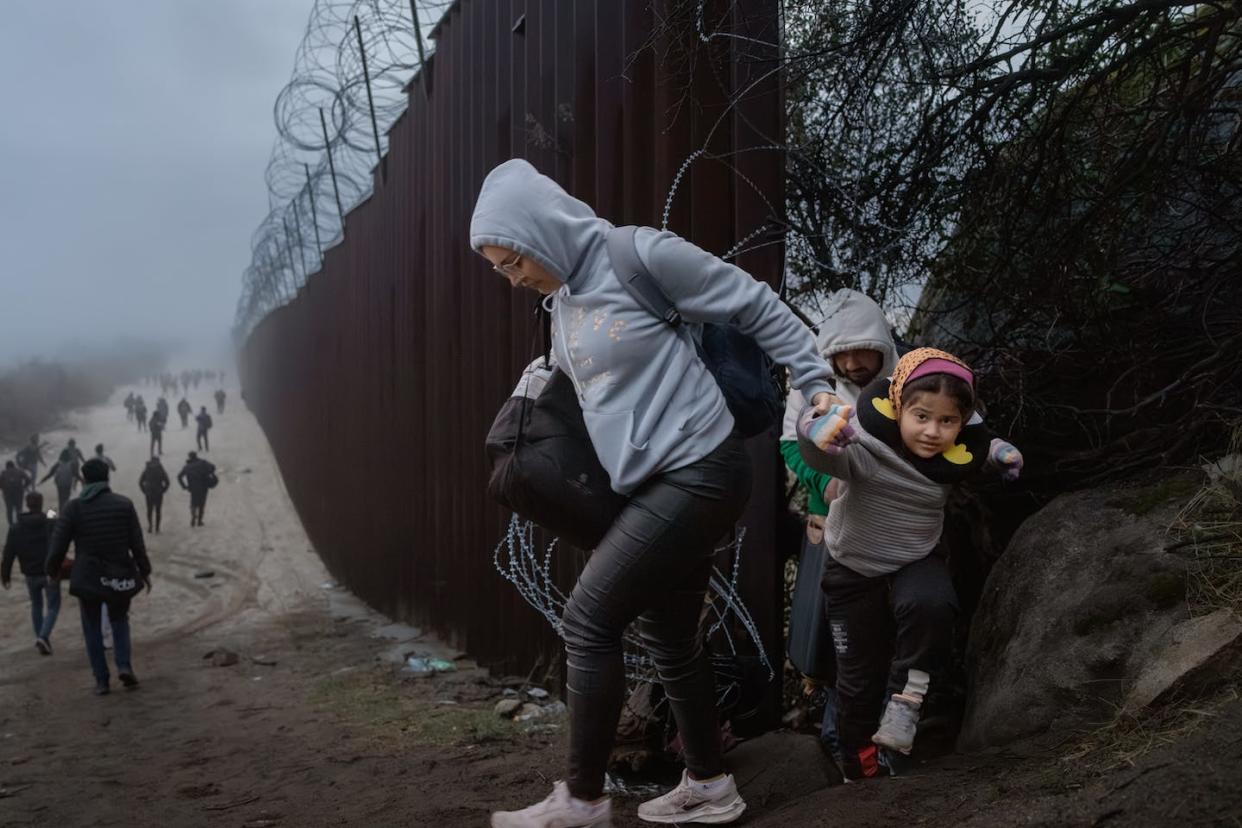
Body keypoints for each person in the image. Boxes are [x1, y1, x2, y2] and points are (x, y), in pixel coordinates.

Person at [473, 159, 836, 828]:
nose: (513, 277)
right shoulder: (563, 305)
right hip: (652, 486)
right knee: (670, 638)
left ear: (541, 233)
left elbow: (753, 303)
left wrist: (817, 386)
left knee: (589, 617)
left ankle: (581, 801)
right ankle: (709, 784)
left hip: (702, 470)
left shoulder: (637, 254)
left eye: (513, 260)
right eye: (501, 269)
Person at [796, 347, 1024, 780]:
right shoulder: (865, 445)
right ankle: (858, 765)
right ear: (897, 407)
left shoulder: (954, 455)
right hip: (853, 567)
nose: (933, 432)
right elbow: (820, 454)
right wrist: (815, 429)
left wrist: (1002, 456)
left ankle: (906, 704)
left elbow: (983, 445)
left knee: (932, 605)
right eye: (921, 417)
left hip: (915, 558)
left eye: (947, 421)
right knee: (857, 681)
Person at [780, 289, 901, 762]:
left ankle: (889, 741)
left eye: (861, 350)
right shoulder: (809, 387)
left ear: (881, 345)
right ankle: (840, 742)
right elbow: (792, 445)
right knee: (832, 638)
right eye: (840, 353)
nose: (852, 363)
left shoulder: (905, 382)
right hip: (828, 524)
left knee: (888, 631)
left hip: (893, 528)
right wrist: (824, 482)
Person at [46, 459, 151, 695]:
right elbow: (137, 544)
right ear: (107, 479)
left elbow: (58, 545)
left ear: (84, 479)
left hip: (88, 576)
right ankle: (124, 665)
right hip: (119, 574)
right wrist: (145, 572)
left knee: (92, 626)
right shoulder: (124, 504)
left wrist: (52, 571)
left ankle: (101, 680)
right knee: (120, 620)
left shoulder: (73, 508)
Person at [2, 491, 59, 655]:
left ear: (27, 504)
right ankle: (43, 637)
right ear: (40, 504)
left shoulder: (16, 526)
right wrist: (51, 510)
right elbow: (55, 518)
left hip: (29, 574)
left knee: (37, 605)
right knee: (53, 606)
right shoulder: (48, 521)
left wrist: (5, 574)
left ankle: (42, 639)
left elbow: (8, 553)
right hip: (49, 572)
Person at [178, 452, 217, 527]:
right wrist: (208, 473)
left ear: (189, 457)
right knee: (202, 503)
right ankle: (199, 521)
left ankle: (193, 516)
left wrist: (184, 486)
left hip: (193, 488)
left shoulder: (187, 466)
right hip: (203, 486)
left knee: (193, 503)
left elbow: (179, 476)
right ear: (196, 456)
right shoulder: (203, 463)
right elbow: (213, 467)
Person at [138, 457, 170, 534]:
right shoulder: (161, 470)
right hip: (158, 492)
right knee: (158, 510)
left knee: (149, 510)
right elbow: (167, 482)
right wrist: (163, 490)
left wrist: (144, 490)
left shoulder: (147, 469)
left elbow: (140, 482)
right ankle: (157, 528)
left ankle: (150, 526)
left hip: (149, 493)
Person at [1, 461, 31, 525]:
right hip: (19, 492)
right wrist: (24, 487)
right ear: (13, 465)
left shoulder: (3, 473)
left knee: (9, 510)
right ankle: (19, 523)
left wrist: (4, 489)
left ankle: (11, 524)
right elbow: (28, 480)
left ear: (7, 466)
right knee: (19, 508)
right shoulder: (20, 471)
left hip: (8, 493)